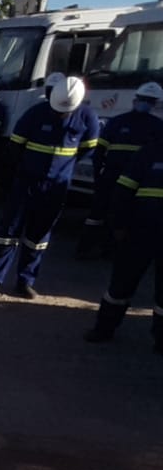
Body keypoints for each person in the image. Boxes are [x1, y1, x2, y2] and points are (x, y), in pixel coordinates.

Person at [0, 74, 100, 298]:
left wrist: (61, 169)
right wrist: (27, 170)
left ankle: (25, 281)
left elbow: (88, 148)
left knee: (39, 236)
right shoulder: (35, 113)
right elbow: (15, 148)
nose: (60, 113)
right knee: (8, 232)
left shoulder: (87, 117)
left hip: (56, 187)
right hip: (27, 182)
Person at [83, 135, 163, 354]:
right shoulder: (149, 153)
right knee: (121, 283)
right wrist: (118, 224)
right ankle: (104, 328)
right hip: (140, 231)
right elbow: (123, 190)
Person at [76, 81, 163, 259]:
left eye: (149, 100)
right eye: (143, 99)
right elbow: (100, 150)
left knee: (123, 214)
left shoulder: (158, 126)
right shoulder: (117, 122)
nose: (145, 103)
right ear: (135, 99)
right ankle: (85, 248)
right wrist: (98, 173)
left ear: (155, 104)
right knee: (98, 212)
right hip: (112, 174)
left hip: (136, 180)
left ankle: (110, 249)